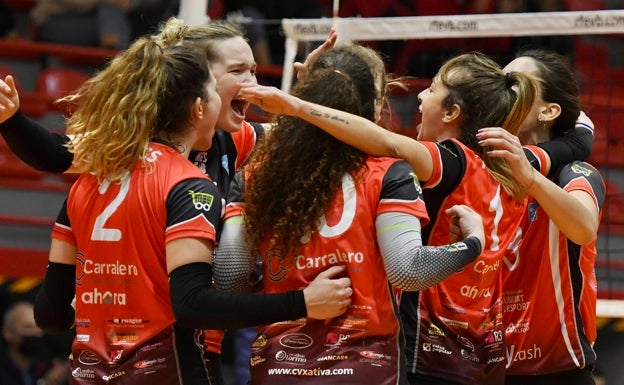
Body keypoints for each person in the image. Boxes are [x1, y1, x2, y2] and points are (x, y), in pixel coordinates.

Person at [2, 22, 353, 385]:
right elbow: (53, 154)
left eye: (253, 69)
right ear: (197, 79)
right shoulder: (125, 150)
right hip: (172, 352)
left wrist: (311, 94)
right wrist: (11, 121)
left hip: (124, 358)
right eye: (237, 71)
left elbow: (311, 136)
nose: (253, 82)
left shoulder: (236, 139)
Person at [238, 50, 593, 385]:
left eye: (433, 88)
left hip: (424, 353)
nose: (420, 97)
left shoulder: (452, 162)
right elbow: (580, 135)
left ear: (453, 112)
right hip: (484, 359)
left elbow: (387, 144)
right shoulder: (519, 168)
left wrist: (299, 104)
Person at [214, 44, 488, 385]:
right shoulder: (389, 173)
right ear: (370, 108)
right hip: (364, 367)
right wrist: (473, 244)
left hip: (278, 365)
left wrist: (281, 281)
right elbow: (408, 271)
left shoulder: (256, 175)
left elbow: (229, 280)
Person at [476, 49, 605, 385]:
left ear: (548, 111)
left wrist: (530, 178)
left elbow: (584, 227)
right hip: (489, 371)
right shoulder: (483, 177)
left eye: (514, 84)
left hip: (558, 373)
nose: (503, 92)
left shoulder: (572, 172)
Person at [0, 301, 69, 385]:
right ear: (7, 332)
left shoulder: (52, 367)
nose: (36, 333)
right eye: (28, 327)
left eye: (38, 327)